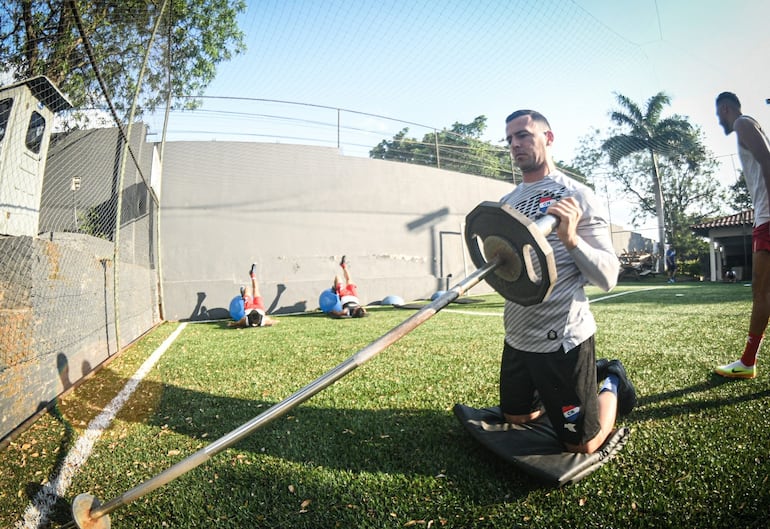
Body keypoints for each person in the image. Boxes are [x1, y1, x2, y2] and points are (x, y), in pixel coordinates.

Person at [498, 109, 636, 454]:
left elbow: (608, 277)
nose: (516, 144)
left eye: (524, 135)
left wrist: (571, 238)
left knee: (583, 444)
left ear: (548, 137)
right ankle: (569, 392)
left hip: (562, 338)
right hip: (517, 333)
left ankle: (611, 380)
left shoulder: (577, 196)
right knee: (518, 416)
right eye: (510, 139)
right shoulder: (507, 203)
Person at [714, 92, 770, 379]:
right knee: (761, 292)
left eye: (717, 114)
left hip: (769, 219)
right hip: (765, 217)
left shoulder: (744, 124)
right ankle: (748, 360)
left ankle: (748, 362)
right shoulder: (751, 126)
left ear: (725, 109)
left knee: (761, 292)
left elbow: (767, 160)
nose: (718, 121)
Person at [228, 264, 277, 328]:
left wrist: (232, 324)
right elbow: (273, 321)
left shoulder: (245, 321)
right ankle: (252, 274)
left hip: (249, 307)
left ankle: (244, 294)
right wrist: (273, 321)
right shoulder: (264, 321)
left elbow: (237, 323)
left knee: (248, 289)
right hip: (259, 308)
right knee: (255, 289)